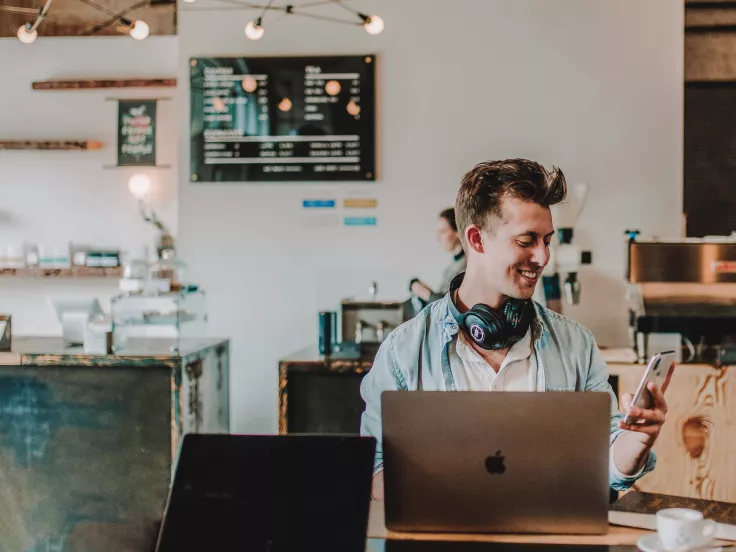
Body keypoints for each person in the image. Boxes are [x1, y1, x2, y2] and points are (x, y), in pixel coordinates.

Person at [360, 159, 666, 500]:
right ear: (476, 239)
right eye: (526, 240)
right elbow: (374, 471)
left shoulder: (576, 344)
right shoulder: (403, 352)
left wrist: (636, 441)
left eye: (547, 241)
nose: (542, 257)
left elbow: (605, 464)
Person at [410, 208, 467, 304]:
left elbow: (453, 306)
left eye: (443, 231)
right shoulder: (455, 262)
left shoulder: (466, 264)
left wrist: (425, 293)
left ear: (457, 231)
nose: (438, 238)